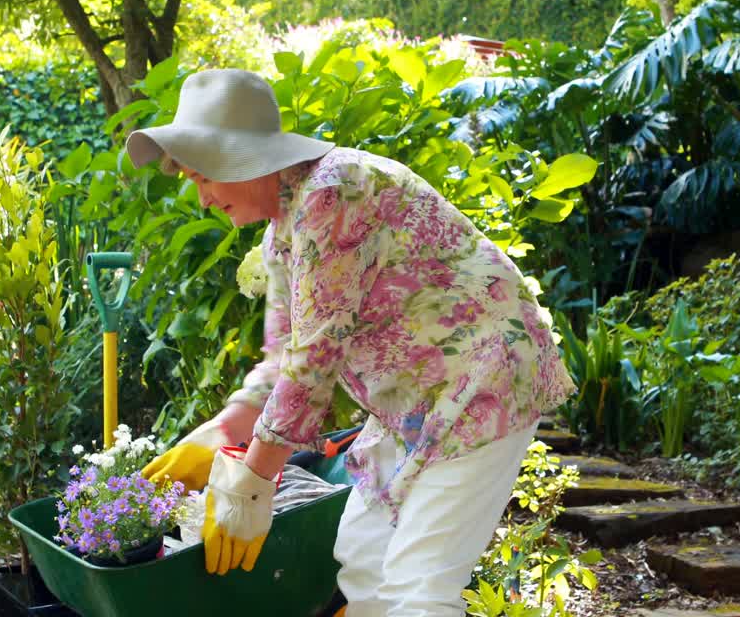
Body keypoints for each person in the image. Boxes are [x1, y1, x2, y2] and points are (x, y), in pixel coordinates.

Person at [127, 68, 572, 616]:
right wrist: (221, 430)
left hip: (482, 385)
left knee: (419, 583)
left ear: (237, 157)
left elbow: (314, 357)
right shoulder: (282, 235)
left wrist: (253, 479)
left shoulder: (334, 190)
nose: (202, 200)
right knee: (363, 557)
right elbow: (281, 360)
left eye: (202, 179)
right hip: (412, 405)